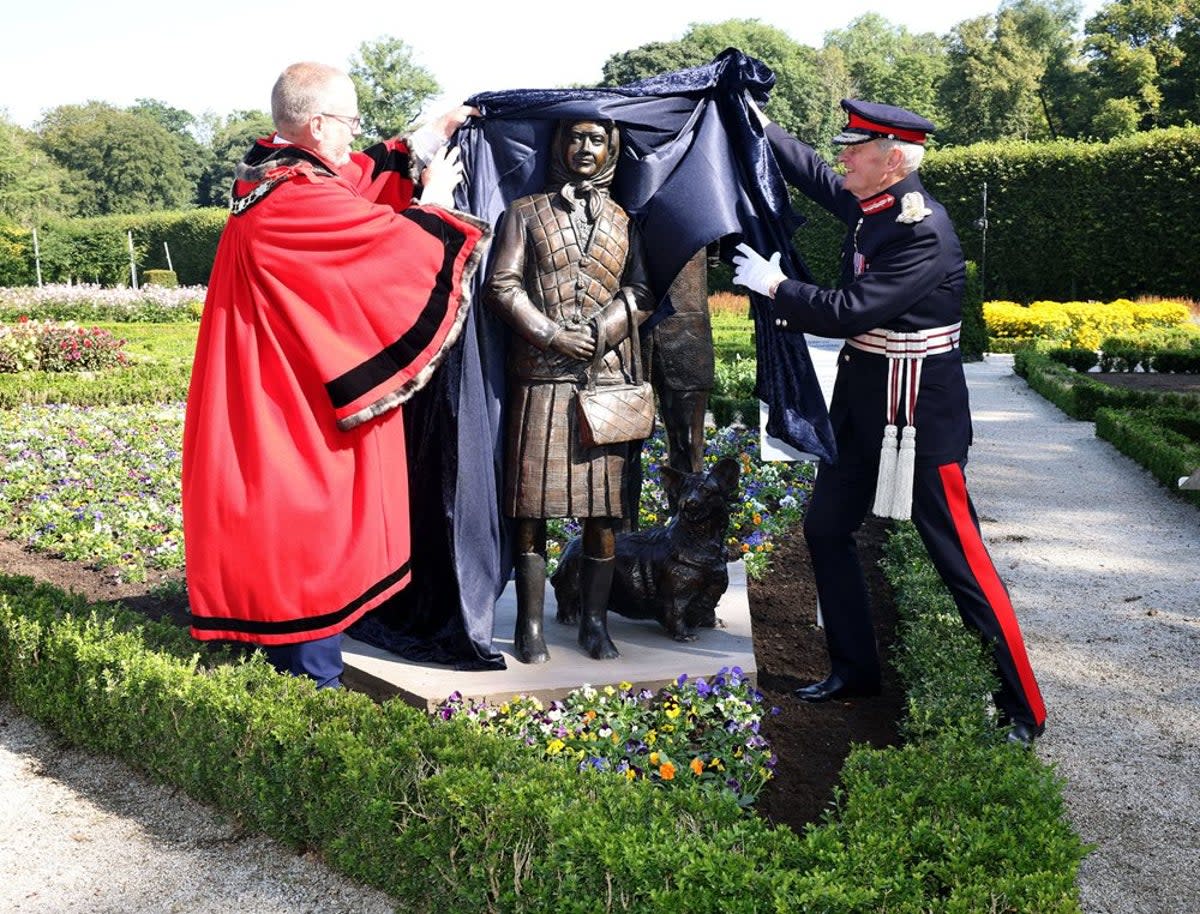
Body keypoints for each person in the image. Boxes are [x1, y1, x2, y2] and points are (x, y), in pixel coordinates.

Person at [732, 98, 1047, 745]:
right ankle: (854, 670)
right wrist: (761, 125)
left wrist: (775, 286)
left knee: (961, 561)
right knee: (824, 528)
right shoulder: (875, 206)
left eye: (857, 148)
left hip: (918, 421)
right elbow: (819, 178)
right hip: (863, 409)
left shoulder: (922, 228)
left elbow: (851, 309)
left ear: (893, 161)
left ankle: (1023, 707)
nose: (843, 155)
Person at [182, 61, 489, 688]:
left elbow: (348, 182)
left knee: (282, 529)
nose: (355, 133)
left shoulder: (274, 174)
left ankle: (284, 673)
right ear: (317, 123)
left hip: (267, 381)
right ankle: (311, 689)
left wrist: (426, 137)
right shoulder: (293, 201)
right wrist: (434, 206)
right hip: (286, 401)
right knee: (307, 528)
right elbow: (380, 243)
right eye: (349, 121)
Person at [485, 118, 655, 663]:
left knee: (603, 515)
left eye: (597, 139)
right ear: (560, 144)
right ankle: (529, 627)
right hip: (540, 380)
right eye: (575, 137)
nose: (585, 148)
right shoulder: (524, 212)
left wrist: (603, 332)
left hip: (601, 385)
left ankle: (594, 624)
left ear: (611, 148)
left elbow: (640, 290)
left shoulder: (625, 219)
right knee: (531, 510)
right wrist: (553, 334)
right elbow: (501, 285)